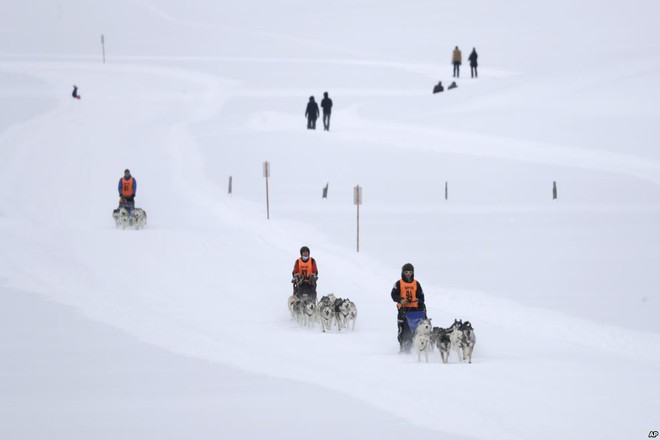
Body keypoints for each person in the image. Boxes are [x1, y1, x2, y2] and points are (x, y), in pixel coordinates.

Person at [391, 263, 426, 353]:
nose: (408, 274)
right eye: (406, 272)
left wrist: (420, 303)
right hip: (403, 310)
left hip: (415, 310)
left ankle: (421, 348)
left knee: (418, 329)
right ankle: (404, 348)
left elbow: (421, 296)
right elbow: (393, 295)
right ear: (403, 272)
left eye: (410, 272)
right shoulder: (398, 283)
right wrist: (400, 300)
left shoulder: (416, 283)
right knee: (403, 331)